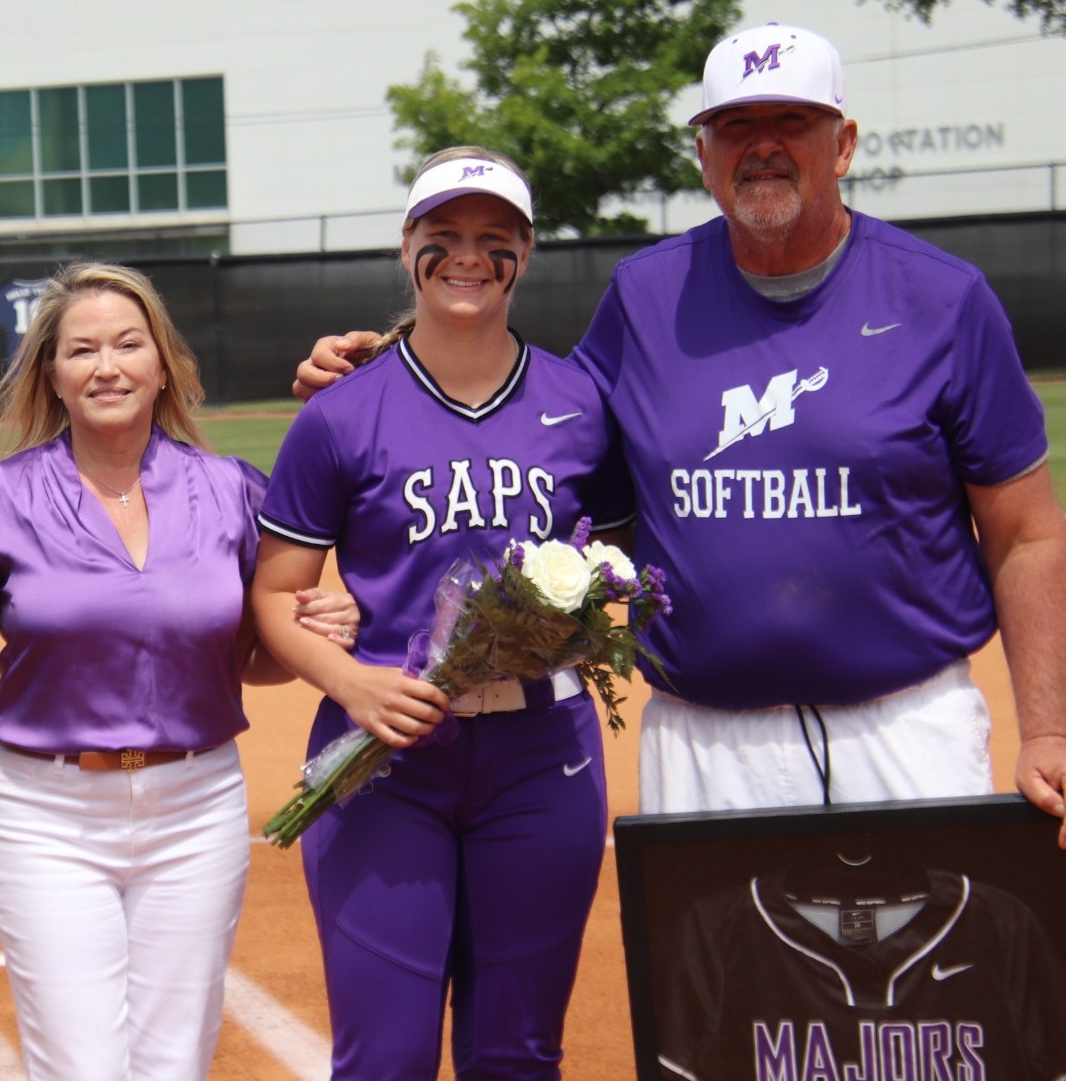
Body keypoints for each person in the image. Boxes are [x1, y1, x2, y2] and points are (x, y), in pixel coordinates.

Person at [295, 24, 1066, 843]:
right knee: (716, 975)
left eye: (791, 122)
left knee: (918, 967)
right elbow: (528, 419)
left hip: (906, 727)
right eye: (735, 126)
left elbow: (1024, 535)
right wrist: (379, 370)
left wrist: (1049, 729)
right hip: (704, 739)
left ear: (842, 144)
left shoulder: (943, 298)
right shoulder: (647, 296)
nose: (762, 147)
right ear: (703, 153)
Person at [253, 150, 634, 1079]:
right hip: (385, 760)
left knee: (516, 1054)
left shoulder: (582, 401)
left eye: (493, 241)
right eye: (445, 237)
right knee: (384, 1057)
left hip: (542, 757)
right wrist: (352, 682)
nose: (469, 258)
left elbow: (618, 576)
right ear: (408, 247)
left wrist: (581, 628)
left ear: (525, 254)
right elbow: (272, 594)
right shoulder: (341, 412)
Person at [0, 261, 356, 1081]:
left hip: (196, 805)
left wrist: (313, 629)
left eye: (129, 344)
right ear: (51, 375)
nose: (107, 366)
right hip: (44, 810)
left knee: (173, 1062)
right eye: (81, 350)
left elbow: (249, 659)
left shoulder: (232, 490)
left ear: (163, 364)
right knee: (81, 1065)